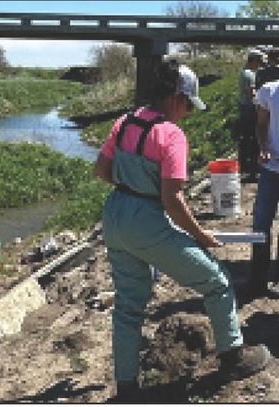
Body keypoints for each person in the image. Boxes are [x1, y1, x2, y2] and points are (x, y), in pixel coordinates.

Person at [94, 60, 270, 401]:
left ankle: (127, 387)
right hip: (147, 221)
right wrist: (201, 236)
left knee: (129, 305)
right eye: (189, 104)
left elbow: (102, 169)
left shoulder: (124, 121)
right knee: (216, 280)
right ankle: (232, 356)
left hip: (114, 216)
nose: (188, 112)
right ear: (177, 98)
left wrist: (131, 187)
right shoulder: (171, 134)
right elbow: (172, 200)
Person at [248, 76, 279, 298]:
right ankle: (257, 281)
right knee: (260, 225)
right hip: (271, 169)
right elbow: (260, 125)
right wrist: (263, 146)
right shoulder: (269, 91)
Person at [238, 50, 265, 178]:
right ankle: (252, 167)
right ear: (253, 60)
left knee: (246, 138)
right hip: (249, 109)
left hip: (243, 107)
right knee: (253, 138)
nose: (260, 64)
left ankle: (245, 165)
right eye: (259, 61)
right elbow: (252, 94)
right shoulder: (249, 75)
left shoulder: (242, 72)